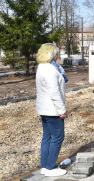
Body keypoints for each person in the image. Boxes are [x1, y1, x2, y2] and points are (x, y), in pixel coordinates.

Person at [36, 43, 68, 177]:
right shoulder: (50, 70)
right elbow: (54, 92)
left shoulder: (42, 67)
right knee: (58, 137)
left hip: (44, 109)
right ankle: (51, 167)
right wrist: (62, 110)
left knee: (47, 137)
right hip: (52, 110)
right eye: (56, 53)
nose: (57, 56)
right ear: (51, 55)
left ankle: (45, 166)